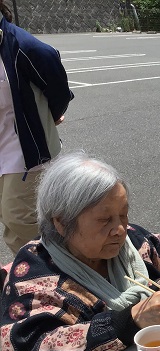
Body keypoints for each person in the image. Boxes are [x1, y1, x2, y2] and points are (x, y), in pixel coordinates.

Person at [0, 152, 160, 351]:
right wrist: (130, 319)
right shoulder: (34, 276)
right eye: (104, 219)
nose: (119, 229)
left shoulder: (135, 241)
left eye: (123, 214)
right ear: (61, 223)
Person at [0, 1, 74, 255]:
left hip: (25, 153)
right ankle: (25, 276)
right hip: (2, 149)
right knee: (10, 220)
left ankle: (57, 272)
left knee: (22, 219)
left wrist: (53, 114)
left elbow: (58, 88)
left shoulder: (22, 46)